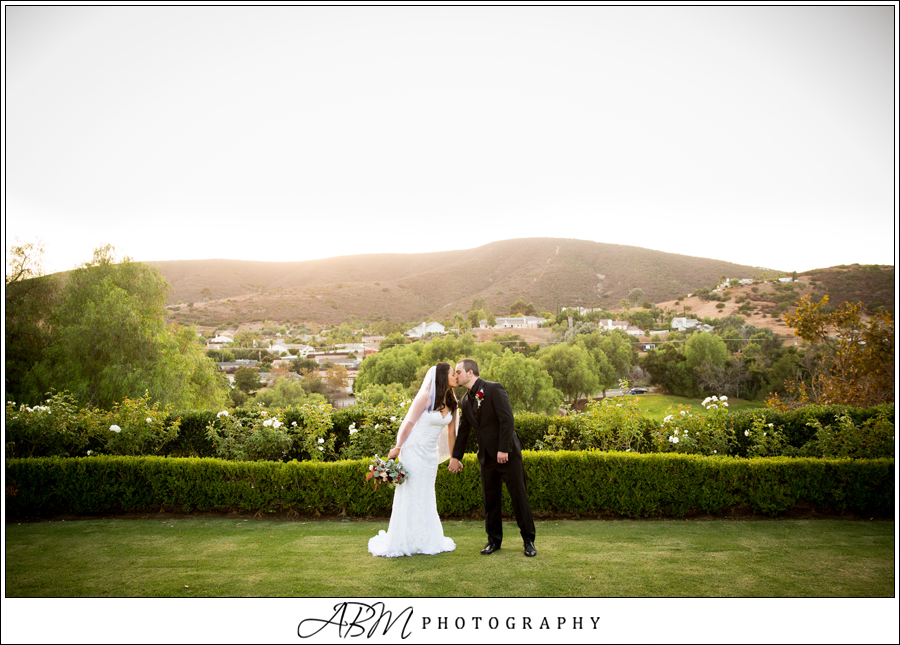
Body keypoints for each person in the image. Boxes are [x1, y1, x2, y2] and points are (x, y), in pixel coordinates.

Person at [367, 362, 458, 557]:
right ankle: (405, 539)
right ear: (443, 377)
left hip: (430, 454)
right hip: (414, 449)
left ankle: (426, 538)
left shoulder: (452, 402)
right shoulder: (426, 397)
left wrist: (453, 457)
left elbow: (452, 434)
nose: (455, 376)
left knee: (426, 492)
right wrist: (398, 447)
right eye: (452, 373)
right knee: (411, 492)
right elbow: (408, 423)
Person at [449, 358, 536, 557]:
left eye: (458, 372)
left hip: (509, 455)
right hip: (486, 459)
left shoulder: (494, 389)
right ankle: (494, 541)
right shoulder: (464, 400)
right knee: (491, 501)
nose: (456, 376)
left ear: (470, 373)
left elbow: (507, 419)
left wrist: (503, 449)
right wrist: (456, 457)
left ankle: (529, 541)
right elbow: (463, 432)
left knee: (519, 498)